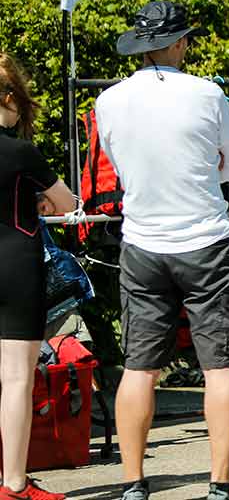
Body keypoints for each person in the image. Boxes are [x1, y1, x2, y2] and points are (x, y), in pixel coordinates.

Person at [96, 1, 229, 500]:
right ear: (178, 42)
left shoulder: (109, 100)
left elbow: (117, 165)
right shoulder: (208, 94)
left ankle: (132, 483)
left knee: (140, 366)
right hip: (205, 239)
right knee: (220, 366)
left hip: (142, 242)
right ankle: (219, 485)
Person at [0, 53, 76, 500]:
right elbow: (66, 203)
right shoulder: (21, 151)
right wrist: (39, 203)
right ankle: (13, 484)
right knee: (15, 379)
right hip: (15, 265)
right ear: (10, 99)